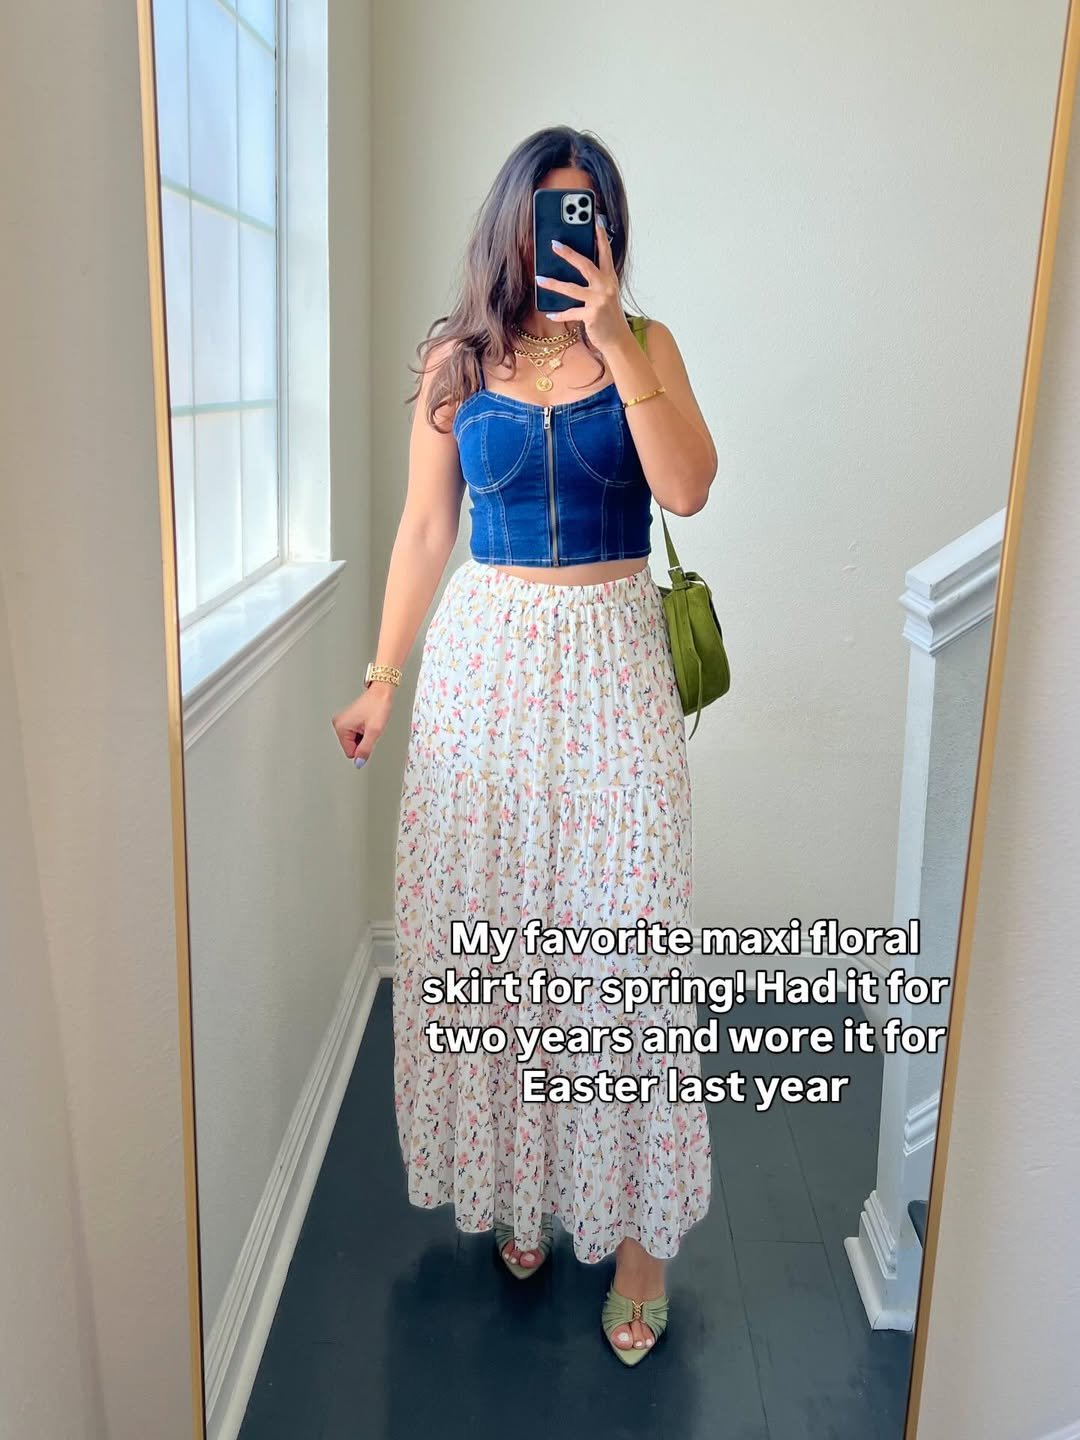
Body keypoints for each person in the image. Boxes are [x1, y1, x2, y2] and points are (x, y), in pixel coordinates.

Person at [331, 125, 717, 1365]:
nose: (567, 228)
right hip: (485, 676)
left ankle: (642, 1241)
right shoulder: (455, 361)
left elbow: (689, 488)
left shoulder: (646, 343)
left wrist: (613, 340)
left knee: (624, 944)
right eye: (548, 208)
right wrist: (382, 680)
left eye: (587, 209)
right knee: (498, 937)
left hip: (614, 667)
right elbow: (423, 531)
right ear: (510, 221)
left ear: (608, 228)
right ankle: (524, 1184)